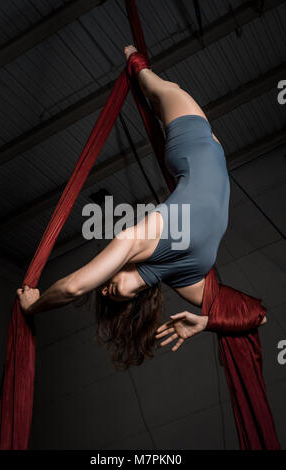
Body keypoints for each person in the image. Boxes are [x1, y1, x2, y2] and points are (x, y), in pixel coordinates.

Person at [17, 45, 266, 368]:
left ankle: (136, 61)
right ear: (136, 299)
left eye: (105, 289)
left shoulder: (171, 269)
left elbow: (257, 316)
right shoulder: (166, 264)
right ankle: (136, 59)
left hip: (197, 156)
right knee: (154, 85)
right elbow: (73, 286)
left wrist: (211, 321)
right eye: (112, 291)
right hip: (193, 138)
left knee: (155, 87)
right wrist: (207, 322)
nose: (106, 288)